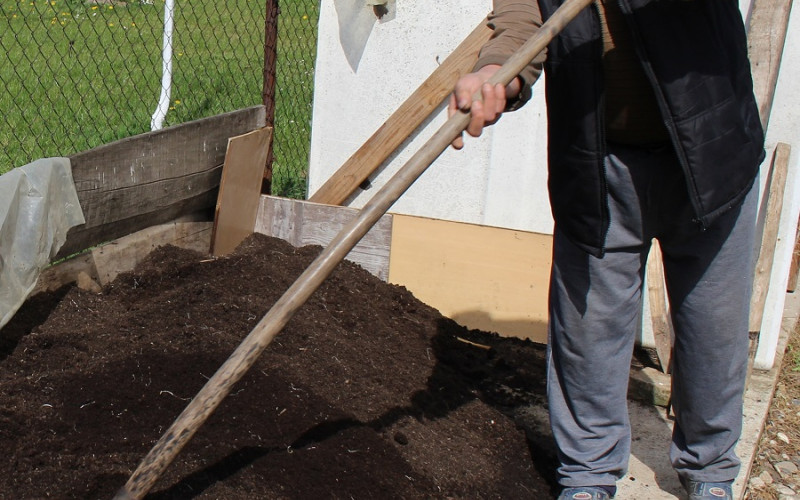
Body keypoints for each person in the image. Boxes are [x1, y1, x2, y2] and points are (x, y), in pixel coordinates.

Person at [448, 1, 766, 499]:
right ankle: (588, 475)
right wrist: (497, 72)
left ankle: (710, 470)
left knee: (713, 330)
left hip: (710, 149)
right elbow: (522, 19)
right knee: (588, 330)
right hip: (599, 160)